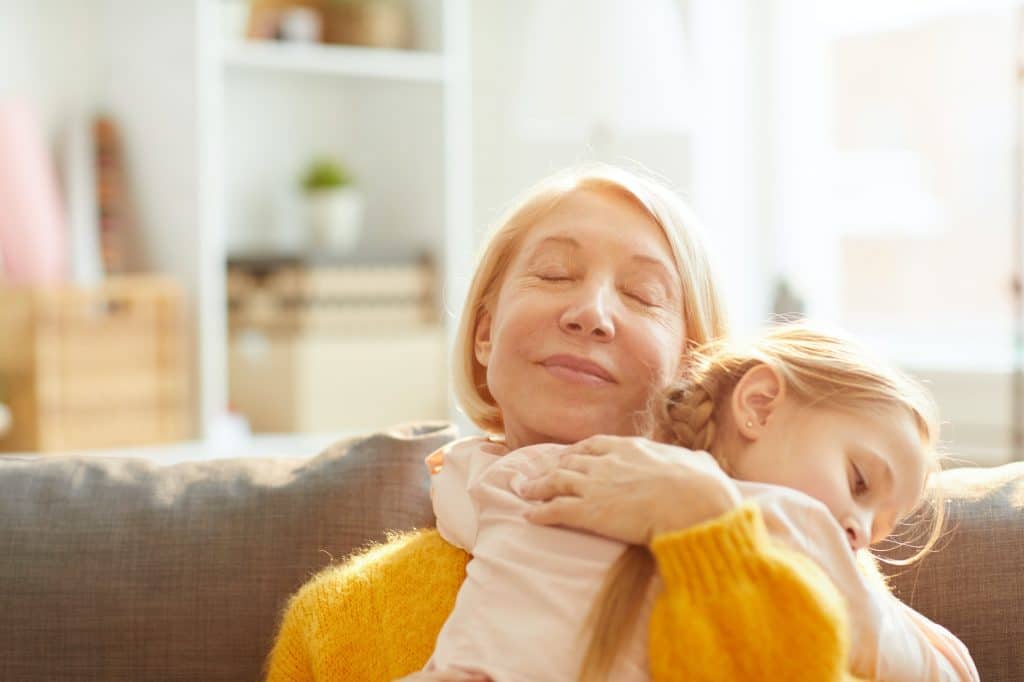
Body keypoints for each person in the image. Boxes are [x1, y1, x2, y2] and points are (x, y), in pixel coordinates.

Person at [263, 164, 976, 681]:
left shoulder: (796, 557)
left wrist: (708, 529)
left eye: (642, 294)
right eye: (552, 274)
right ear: (484, 336)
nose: (591, 313)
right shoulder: (342, 618)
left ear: (693, 364)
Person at [424, 323, 979, 681]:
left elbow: (463, 507)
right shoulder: (798, 524)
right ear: (759, 406)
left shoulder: (545, 468)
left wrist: (462, 463)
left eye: (879, 527)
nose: (858, 531)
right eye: (859, 482)